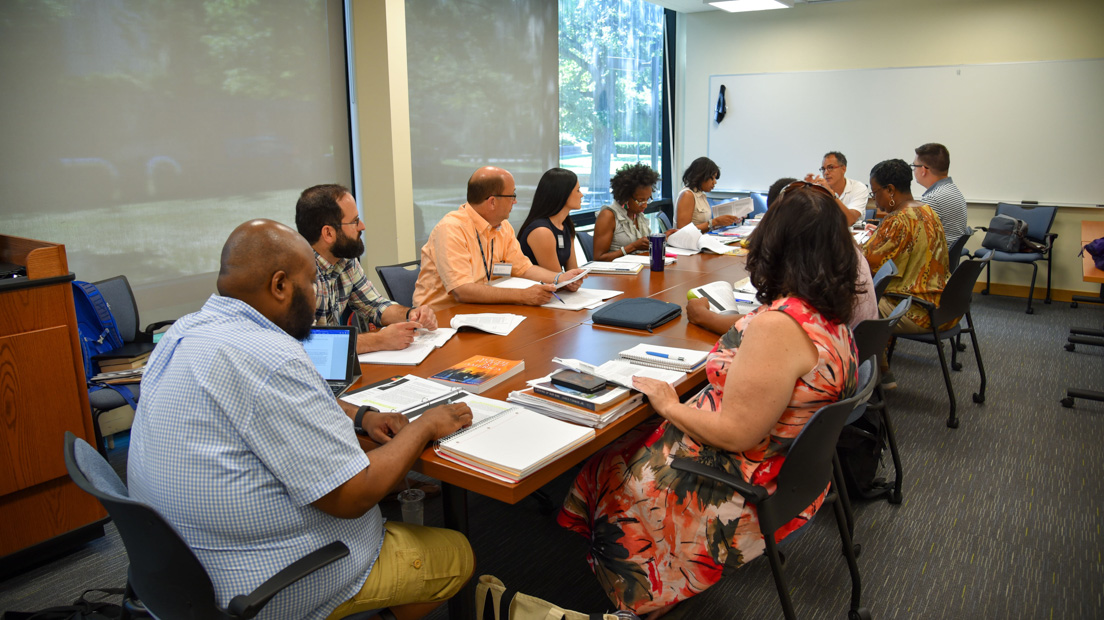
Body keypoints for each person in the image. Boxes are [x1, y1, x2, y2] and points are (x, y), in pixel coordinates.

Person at [127, 219, 474, 620]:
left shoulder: (183, 331)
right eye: (311, 284)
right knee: (455, 555)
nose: (315, 297)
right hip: (265, 584)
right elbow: (354, 495)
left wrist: (361, 415)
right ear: (279, 286)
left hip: (179, 575)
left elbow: (276, 405)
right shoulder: (272, 356)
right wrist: (424, 426)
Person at [558, 183, 859, 619]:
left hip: (741, 479)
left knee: (605, 467)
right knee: (621, 445)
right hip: (790, 469)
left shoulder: (779, 327)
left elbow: (737, 432)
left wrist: (668, 403)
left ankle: (643, 595)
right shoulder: (830, 315)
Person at [687, 176, 877, 334]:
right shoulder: (836, 247)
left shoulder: (797, 305)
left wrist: (706, 317)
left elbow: (765, 325)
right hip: (853, 346)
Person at [413, 166, 586, 307]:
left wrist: (560, 278)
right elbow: (462, 290)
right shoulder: (452, 229)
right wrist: (522, 296)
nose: (515, 202)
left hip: (483, 311)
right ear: (492, 201)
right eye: (512, 196)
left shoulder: (503, 228)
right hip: (442, 319)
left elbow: (524, 268)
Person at [295, 184, 436, 355]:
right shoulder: (297, 274)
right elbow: (307, 345)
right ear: (328, 233)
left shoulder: (345, 260)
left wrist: (412, 314)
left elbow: (375, 305)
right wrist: (379, 340)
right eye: (354, 221)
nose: (362, 226)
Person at [863, 158, 951, 335]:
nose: (874, 200)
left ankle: (868, 360)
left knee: (852, 304)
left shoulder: (898, 220)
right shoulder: (927, 210)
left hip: (917, 311)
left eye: (875, 193)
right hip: (942, 306)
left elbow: (865, 265)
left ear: (890, 190)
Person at [517, 168, 583, 272]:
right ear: (563, 194)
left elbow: (572, 271)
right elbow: (556, 278)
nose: (581, 195)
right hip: (536, 287)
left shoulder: (565, 225)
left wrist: (575, 280)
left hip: (555, 286)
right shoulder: (541, 231)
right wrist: (571, 281)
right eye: (578, 190)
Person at [592, 162, 661, 261]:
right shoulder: (608, 215)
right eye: (640, 200)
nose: (645, 205)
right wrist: (632, 247)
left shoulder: (637, 214)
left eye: (648, 199)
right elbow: (598, 258)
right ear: (625, 197)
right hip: (614, 273)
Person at [913, 142, 970, 251]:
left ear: (923, 170)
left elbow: (918, 240)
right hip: (946, 258)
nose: (914, 171)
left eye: (914, 166)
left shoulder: (933, 198)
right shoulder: (952, 189)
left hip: (935, 261)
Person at [674, 157, 741, 231]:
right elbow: (683, 231)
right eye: (713, 178)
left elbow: (705, 226)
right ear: (702, 176)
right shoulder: (687, 195)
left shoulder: (701, 195)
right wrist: (715, 222)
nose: (715, 182)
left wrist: (724, 221)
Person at [804, 151, 867, 225]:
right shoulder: (819, 189)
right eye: (823, 169)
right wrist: (807, 191)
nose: (826, 173)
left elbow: (850, 220)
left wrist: (831, 193)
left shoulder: (858, 188)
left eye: (830, 167)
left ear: (843, 169)